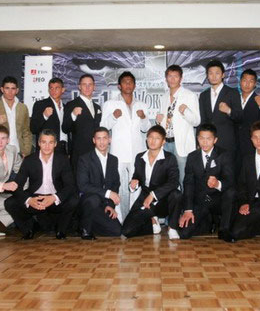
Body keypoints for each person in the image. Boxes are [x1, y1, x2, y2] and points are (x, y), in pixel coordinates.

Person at [5, 129, 79, 240]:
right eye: (44, 142)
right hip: (36, 198)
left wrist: (54, 198)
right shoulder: (29, 160)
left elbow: (70, 185)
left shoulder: (62, 160)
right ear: (39, 143)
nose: (47, 146)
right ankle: (28, 229)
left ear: (55, 144)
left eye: (50, 142)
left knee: (74, 200)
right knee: (10, 203)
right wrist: (29, 200)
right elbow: (17, 185)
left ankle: (61, 230)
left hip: (54, 198)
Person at [101, 71, 150, 221]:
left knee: (136, 186)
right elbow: (103, 125)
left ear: (134, 85)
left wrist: (143, 117)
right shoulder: (110, 104)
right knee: (119, 185)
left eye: (130, 82)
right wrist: (113, 116)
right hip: (118, 151)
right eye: (125, 82)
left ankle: (134, 218)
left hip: (137, 151)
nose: (128, 84)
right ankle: (119, 218)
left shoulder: (141, 105)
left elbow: (146, 128)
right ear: (119, 85)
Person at [172, 124, 235, 240]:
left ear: (215, 140)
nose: (205, 142)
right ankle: (209, 221)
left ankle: (224, 228)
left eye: (209, 139)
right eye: (201, 138)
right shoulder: (192, 157)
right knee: (184, 233)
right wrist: (188, 210)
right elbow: (188, 184)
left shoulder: (224, 155)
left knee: (230, 192)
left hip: (218, 200)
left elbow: (230, 180)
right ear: (197, 139)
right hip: (200, 201)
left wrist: (218, 184)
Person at [122, 125, 182, 239]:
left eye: (157, 138)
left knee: (176, 194)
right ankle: (153, 222)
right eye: (150, 137)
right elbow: (138, 177)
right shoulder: (140, 157)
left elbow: (174, 182)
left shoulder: (170, 158)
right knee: (127, 231)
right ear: (146, 139)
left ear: (163, 141)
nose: (153, 141)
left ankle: (172, 227)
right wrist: (134, 183)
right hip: (145, 199)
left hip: (164, 200)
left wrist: (154, 195)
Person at [156, 65, 200, 189]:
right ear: (166, 78)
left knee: (183, 179)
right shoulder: (164, 97)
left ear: (181, 78)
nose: (172, 79)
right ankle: (172, 207)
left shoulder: (189, 95)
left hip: (181, 144)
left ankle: (187, 208)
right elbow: (165, 120)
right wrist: (158, 121)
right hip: (166, 144)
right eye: (170, 76)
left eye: (176, 76)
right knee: (168, 179)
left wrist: (186, 111)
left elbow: (197, 121)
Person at [76, 128, 122, 239]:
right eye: (98, 138)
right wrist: (108, 193)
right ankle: (85, 230)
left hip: (103, 204)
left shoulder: (113, 160)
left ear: (109, 140)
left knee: (117, 231)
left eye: (105, 138)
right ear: (94, 140)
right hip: (87, 202)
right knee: (94, 199)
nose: (102, 142)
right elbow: (83, 186)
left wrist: (110, 205)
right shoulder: (84, 159)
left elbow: (115, 184)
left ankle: (82, 225)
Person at [198, 60, 242, 159]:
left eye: (217, 73)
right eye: (211, 73)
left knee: (227, 173)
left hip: (227, 143)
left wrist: (229, 111)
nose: (214, 76)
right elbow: (202, 121)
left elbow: (240, 117)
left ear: (223, 75)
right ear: (207, 76)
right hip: (208, 144)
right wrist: (199, 141)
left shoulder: (232, 93)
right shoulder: (203, 95)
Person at [0, 76, 33, 157]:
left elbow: (26, 132)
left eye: (13, 88)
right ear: (2, 89)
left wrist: (26, 151)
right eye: (7, 88)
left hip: (18, 152)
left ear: (17, 90)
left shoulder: (23, 108)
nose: (10, 91)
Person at [63, 74, 102, 170]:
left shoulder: (97, 107)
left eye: (90, 84)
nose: (87, 87)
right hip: (79, 154)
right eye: (84, 84)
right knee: (79, 183)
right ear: (79, 87)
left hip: (96, 153)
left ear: (94, 87)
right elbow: (65, 128)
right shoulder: (71, 104)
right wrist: (73, 115)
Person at [236, 69, 260, 164]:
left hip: (251, 145)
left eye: (251, 81)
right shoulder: (234, 99)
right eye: (245, 80)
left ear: (255, 84)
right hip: (234, 145)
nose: (247, 84)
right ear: (240, 82)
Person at [30, 77, 68, 155]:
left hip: (63, 148)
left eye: (57, 88)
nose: (53, 91)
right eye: (51, 88)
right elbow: (33, 128)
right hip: (46, 148)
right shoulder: (40, 104)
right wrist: (44, 116)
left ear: (63, 90)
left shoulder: (66, 107)